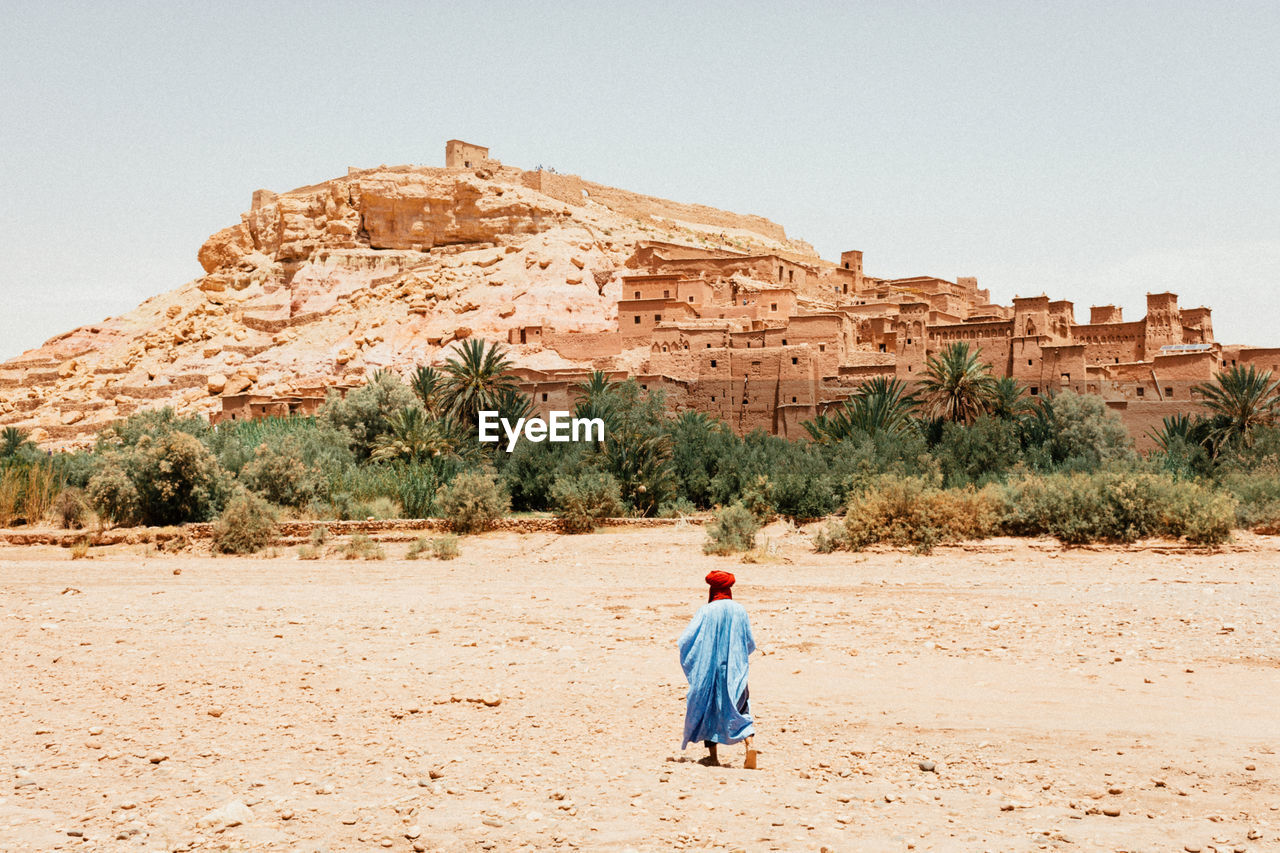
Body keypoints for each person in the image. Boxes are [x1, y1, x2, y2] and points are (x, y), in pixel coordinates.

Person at [677, 570, 758, 768]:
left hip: (710, 672)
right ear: (729, 589)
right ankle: (750, 744)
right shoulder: (740, 610)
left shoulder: (706, 611)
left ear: (712, 590)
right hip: (735, 670)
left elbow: (686, 640)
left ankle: (713, 757)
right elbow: (749, 642)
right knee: (740, 705)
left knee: (709, 709)